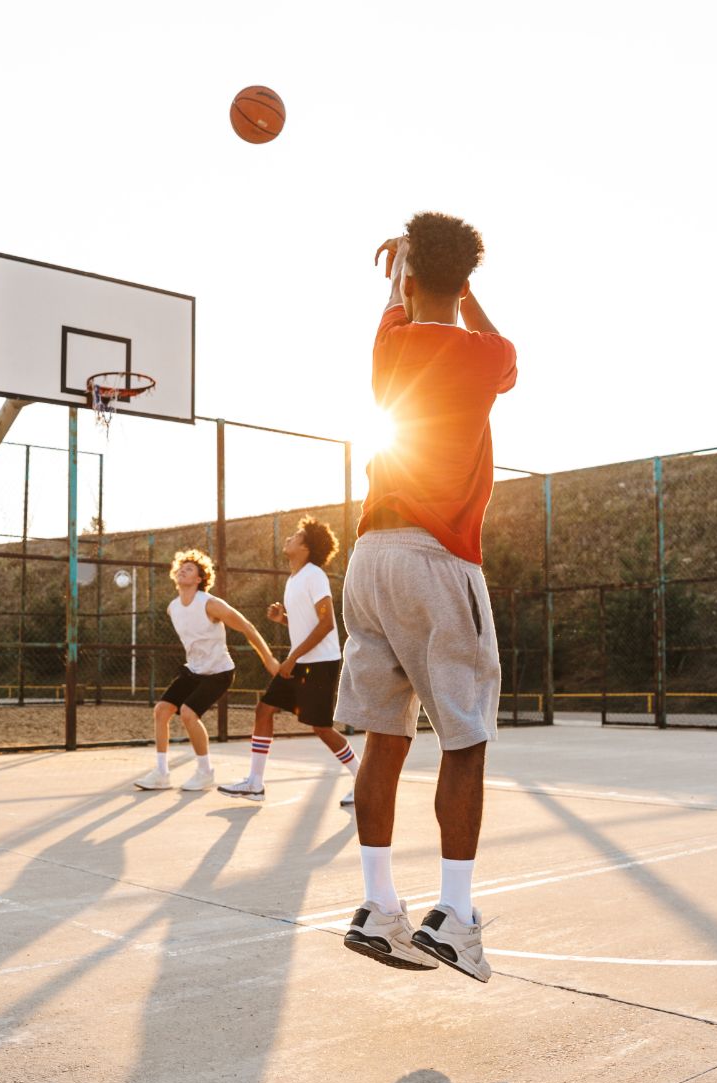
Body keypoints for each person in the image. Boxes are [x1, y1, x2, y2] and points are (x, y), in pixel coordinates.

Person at [334, 212, 518, 982]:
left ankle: (380, 907)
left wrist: (402, 267)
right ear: (466, 281)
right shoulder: (487, 355)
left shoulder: (390, 344)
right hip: (439, 560)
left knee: (384, 736)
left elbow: (398, 305)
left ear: (408, 279)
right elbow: (503, 355)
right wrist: (461, 290)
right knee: (465, 738)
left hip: (369, 559)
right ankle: (456, 915)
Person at [218, 515, 360, 806]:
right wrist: (283, 619)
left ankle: (363, 780)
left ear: (306, 547)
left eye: (296, 536)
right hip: (301, 661)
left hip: (319, 663)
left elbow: (326, 624)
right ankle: (255, 783)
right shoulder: (294, 579)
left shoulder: (314, 575)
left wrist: (292, 658)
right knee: (264, 710)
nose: (289, 538)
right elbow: (309, 623)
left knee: (321, 728)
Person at [133, 548, 279, 792]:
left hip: (219, 672)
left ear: (199, 579)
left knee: (188, 713)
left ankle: (205, 772)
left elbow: (247, 627)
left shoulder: (210, 604)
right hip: (194, 670)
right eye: (181, 568)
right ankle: (161, 773)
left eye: (189, 569)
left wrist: (269, 659)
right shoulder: (173, 607)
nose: (182, 571)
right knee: (161, 711)